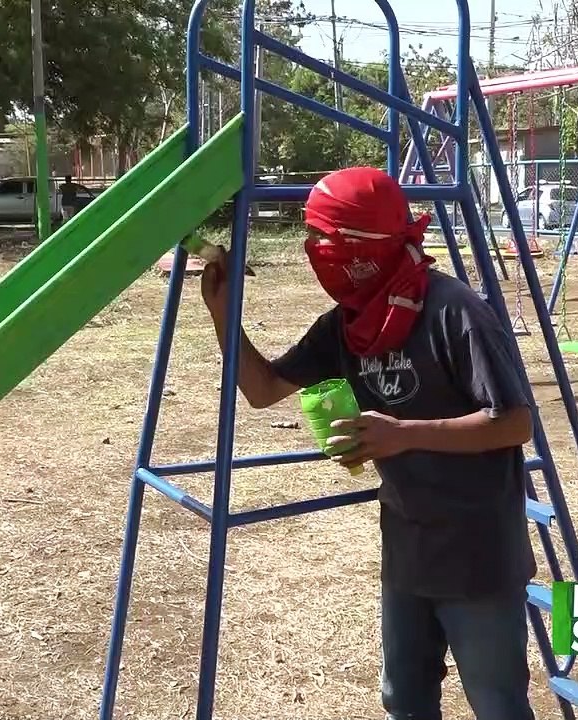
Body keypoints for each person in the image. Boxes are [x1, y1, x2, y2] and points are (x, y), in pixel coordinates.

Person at [198, 167, 538, 720]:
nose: (313, 249)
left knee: (496, 703)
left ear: (365, 246)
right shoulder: (345, 326)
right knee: (403, 697)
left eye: (324, 237)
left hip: (478, 554)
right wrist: (223, 316)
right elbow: (261, 390)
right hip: (407, 549)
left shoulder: (455, 312)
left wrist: (400, 435)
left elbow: (514, 423)